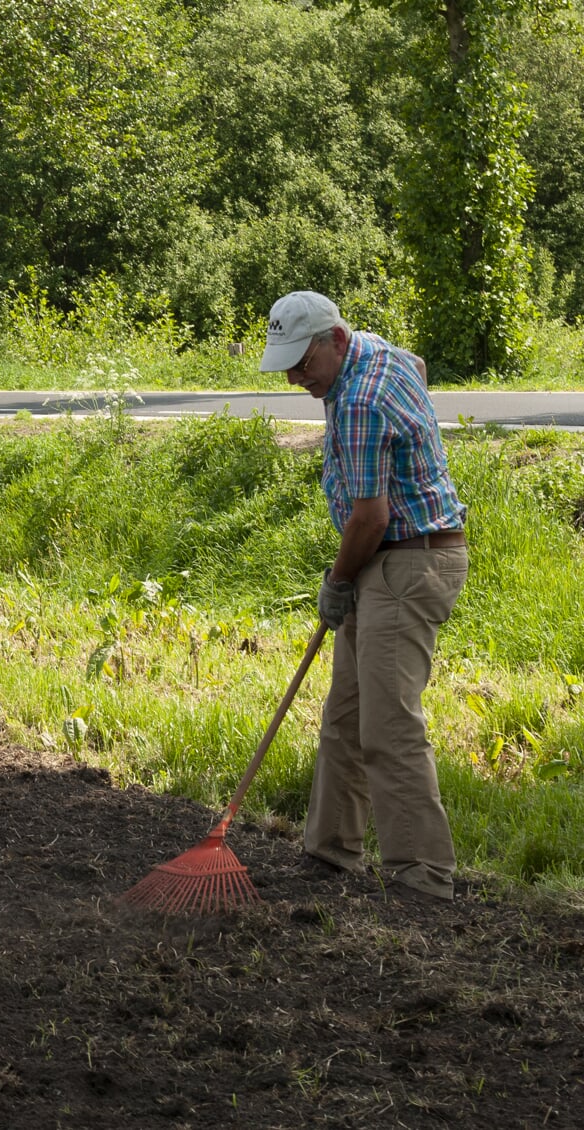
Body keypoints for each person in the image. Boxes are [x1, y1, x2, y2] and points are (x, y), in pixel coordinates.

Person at [261, 290, 468, 901]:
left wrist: (336, 582)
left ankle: (423, 877)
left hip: (406, 562)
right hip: (389, 560)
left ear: (336, 339)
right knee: (346, 715)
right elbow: (419, 366)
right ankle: (330, 851)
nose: (299, 377)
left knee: (387, 726)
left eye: (305, 363)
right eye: (289, 366)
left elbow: (370, 518)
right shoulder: (383, 356)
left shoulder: (359, 401)